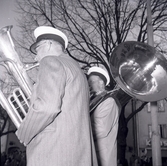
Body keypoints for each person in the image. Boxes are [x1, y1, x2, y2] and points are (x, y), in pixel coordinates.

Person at [16, 26, 98, 166]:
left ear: (48, 44)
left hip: (52, 152)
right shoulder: (78, 70)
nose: (36, 57)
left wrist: (24, 132)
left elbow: (47, 107)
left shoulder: (50, 61)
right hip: (75, 153)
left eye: (37, 49)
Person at [87, 66, 120, 166]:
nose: (88, 84)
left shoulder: (109, 102)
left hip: (102, 157)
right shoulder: (92, 101)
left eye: (91, 81)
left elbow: (101, 129)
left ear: (101, 83)